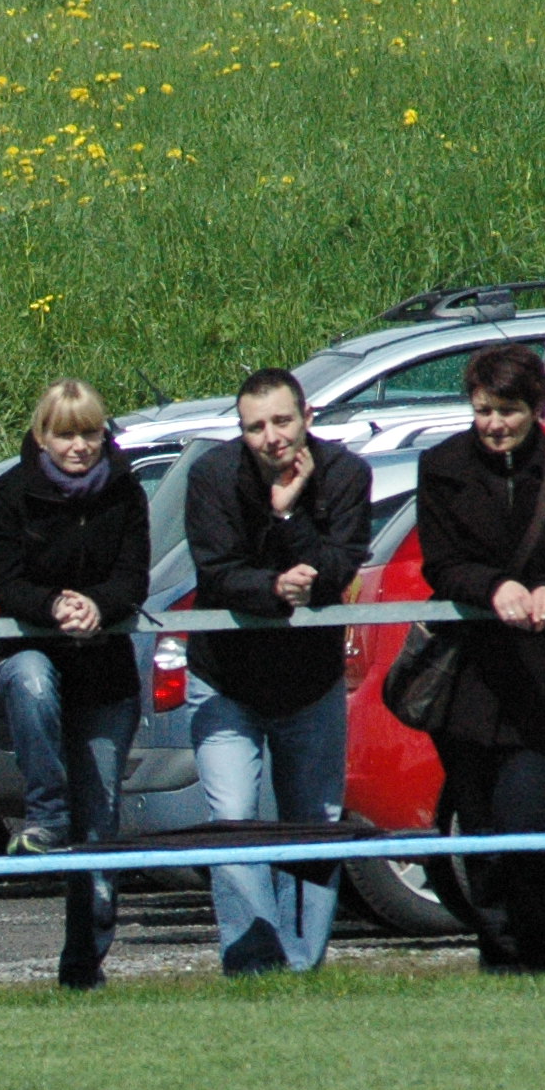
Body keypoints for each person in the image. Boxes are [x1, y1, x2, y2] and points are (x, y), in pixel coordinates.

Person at [408, 345, 545, 975]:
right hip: (469, 682)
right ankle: (500, 961)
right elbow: (441, 564)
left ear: (537, 407)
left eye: (508, 410)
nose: (494, 424)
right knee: (481, 830)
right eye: (483, 411)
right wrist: (492, 587)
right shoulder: (442, 466)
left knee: (522, 819)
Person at [183, 369, 370, 974]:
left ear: (307, 418)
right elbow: (217, 573)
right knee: (234, 824)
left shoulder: (346, 475)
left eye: (282, 421)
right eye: (255, 427)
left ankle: (301, 965)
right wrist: (274, 587)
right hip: (226, 677)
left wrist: (291, 518)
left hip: (310, 680)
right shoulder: (212, 477)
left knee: (315, 827)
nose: (271, 437)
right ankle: (256, 965)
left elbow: (339, 568)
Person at [0, 378, 153, 990]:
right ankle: (45, 815)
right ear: (42, 436)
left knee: (99, 829)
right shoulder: (10, 493)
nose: (78, 446)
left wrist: (98, 606)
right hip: (27, 659)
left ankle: (83, 968)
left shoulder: (126, 490)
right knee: (32, 676)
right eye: (65, 434)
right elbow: (5, 580)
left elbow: (134, 577)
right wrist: (54, 606)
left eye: (89, 433)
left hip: (104, 677)